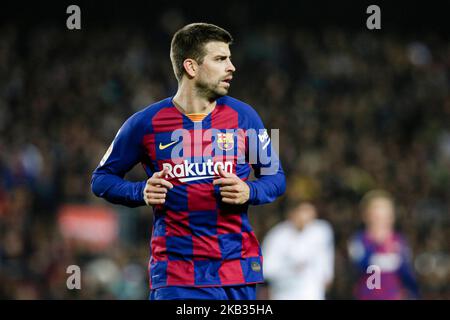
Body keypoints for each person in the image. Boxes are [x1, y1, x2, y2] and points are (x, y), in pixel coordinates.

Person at [91, 23, 286, 300]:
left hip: (237, 270)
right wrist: (139, 191)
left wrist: (250, 191)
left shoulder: (246, 116)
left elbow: (276, 178)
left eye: (229, 58)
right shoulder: (145, 123)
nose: (232, 67)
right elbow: (100, 179)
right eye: (220, 59)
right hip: (177, 275)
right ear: (191, 67)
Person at [347, 190, 419, 299]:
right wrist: (377, 246)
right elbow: (358, 267)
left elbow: (406, 273)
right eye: (376, 217)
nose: (381, 222)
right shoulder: (360, 241)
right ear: (366, 216)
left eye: (386, 217)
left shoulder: (399, 242)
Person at [262, 201, 334, 300]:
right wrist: (289, 269)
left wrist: (327, 275)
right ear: (292, 213)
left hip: (312, 293)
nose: (306, 216)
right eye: (303, 211)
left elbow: (325, 257)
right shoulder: (277, 235)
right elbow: (266, 269)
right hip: (284, 294)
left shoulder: (321, 231)